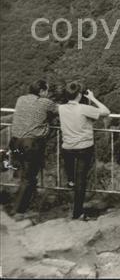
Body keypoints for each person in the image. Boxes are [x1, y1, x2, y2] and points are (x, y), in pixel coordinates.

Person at [58, 81, 110, 220]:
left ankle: (70, 181)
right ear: (79, 95)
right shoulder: (83, 108)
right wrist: (92, 98)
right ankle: (78, 213)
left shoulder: (61, 108)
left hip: (67, 148)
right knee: (81, 181)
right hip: (83, 148)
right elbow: (106, 111)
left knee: (73, 179)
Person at [9, 80, 58, 216]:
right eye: (47, 91)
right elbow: (61, 110)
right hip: (30, 144)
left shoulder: (21, 99)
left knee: (24, 175)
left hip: (15, 141)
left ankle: (25, 203)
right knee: (28, 178)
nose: (48, 94)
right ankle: (18, 211)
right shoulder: (44, 102)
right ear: (41, 91)